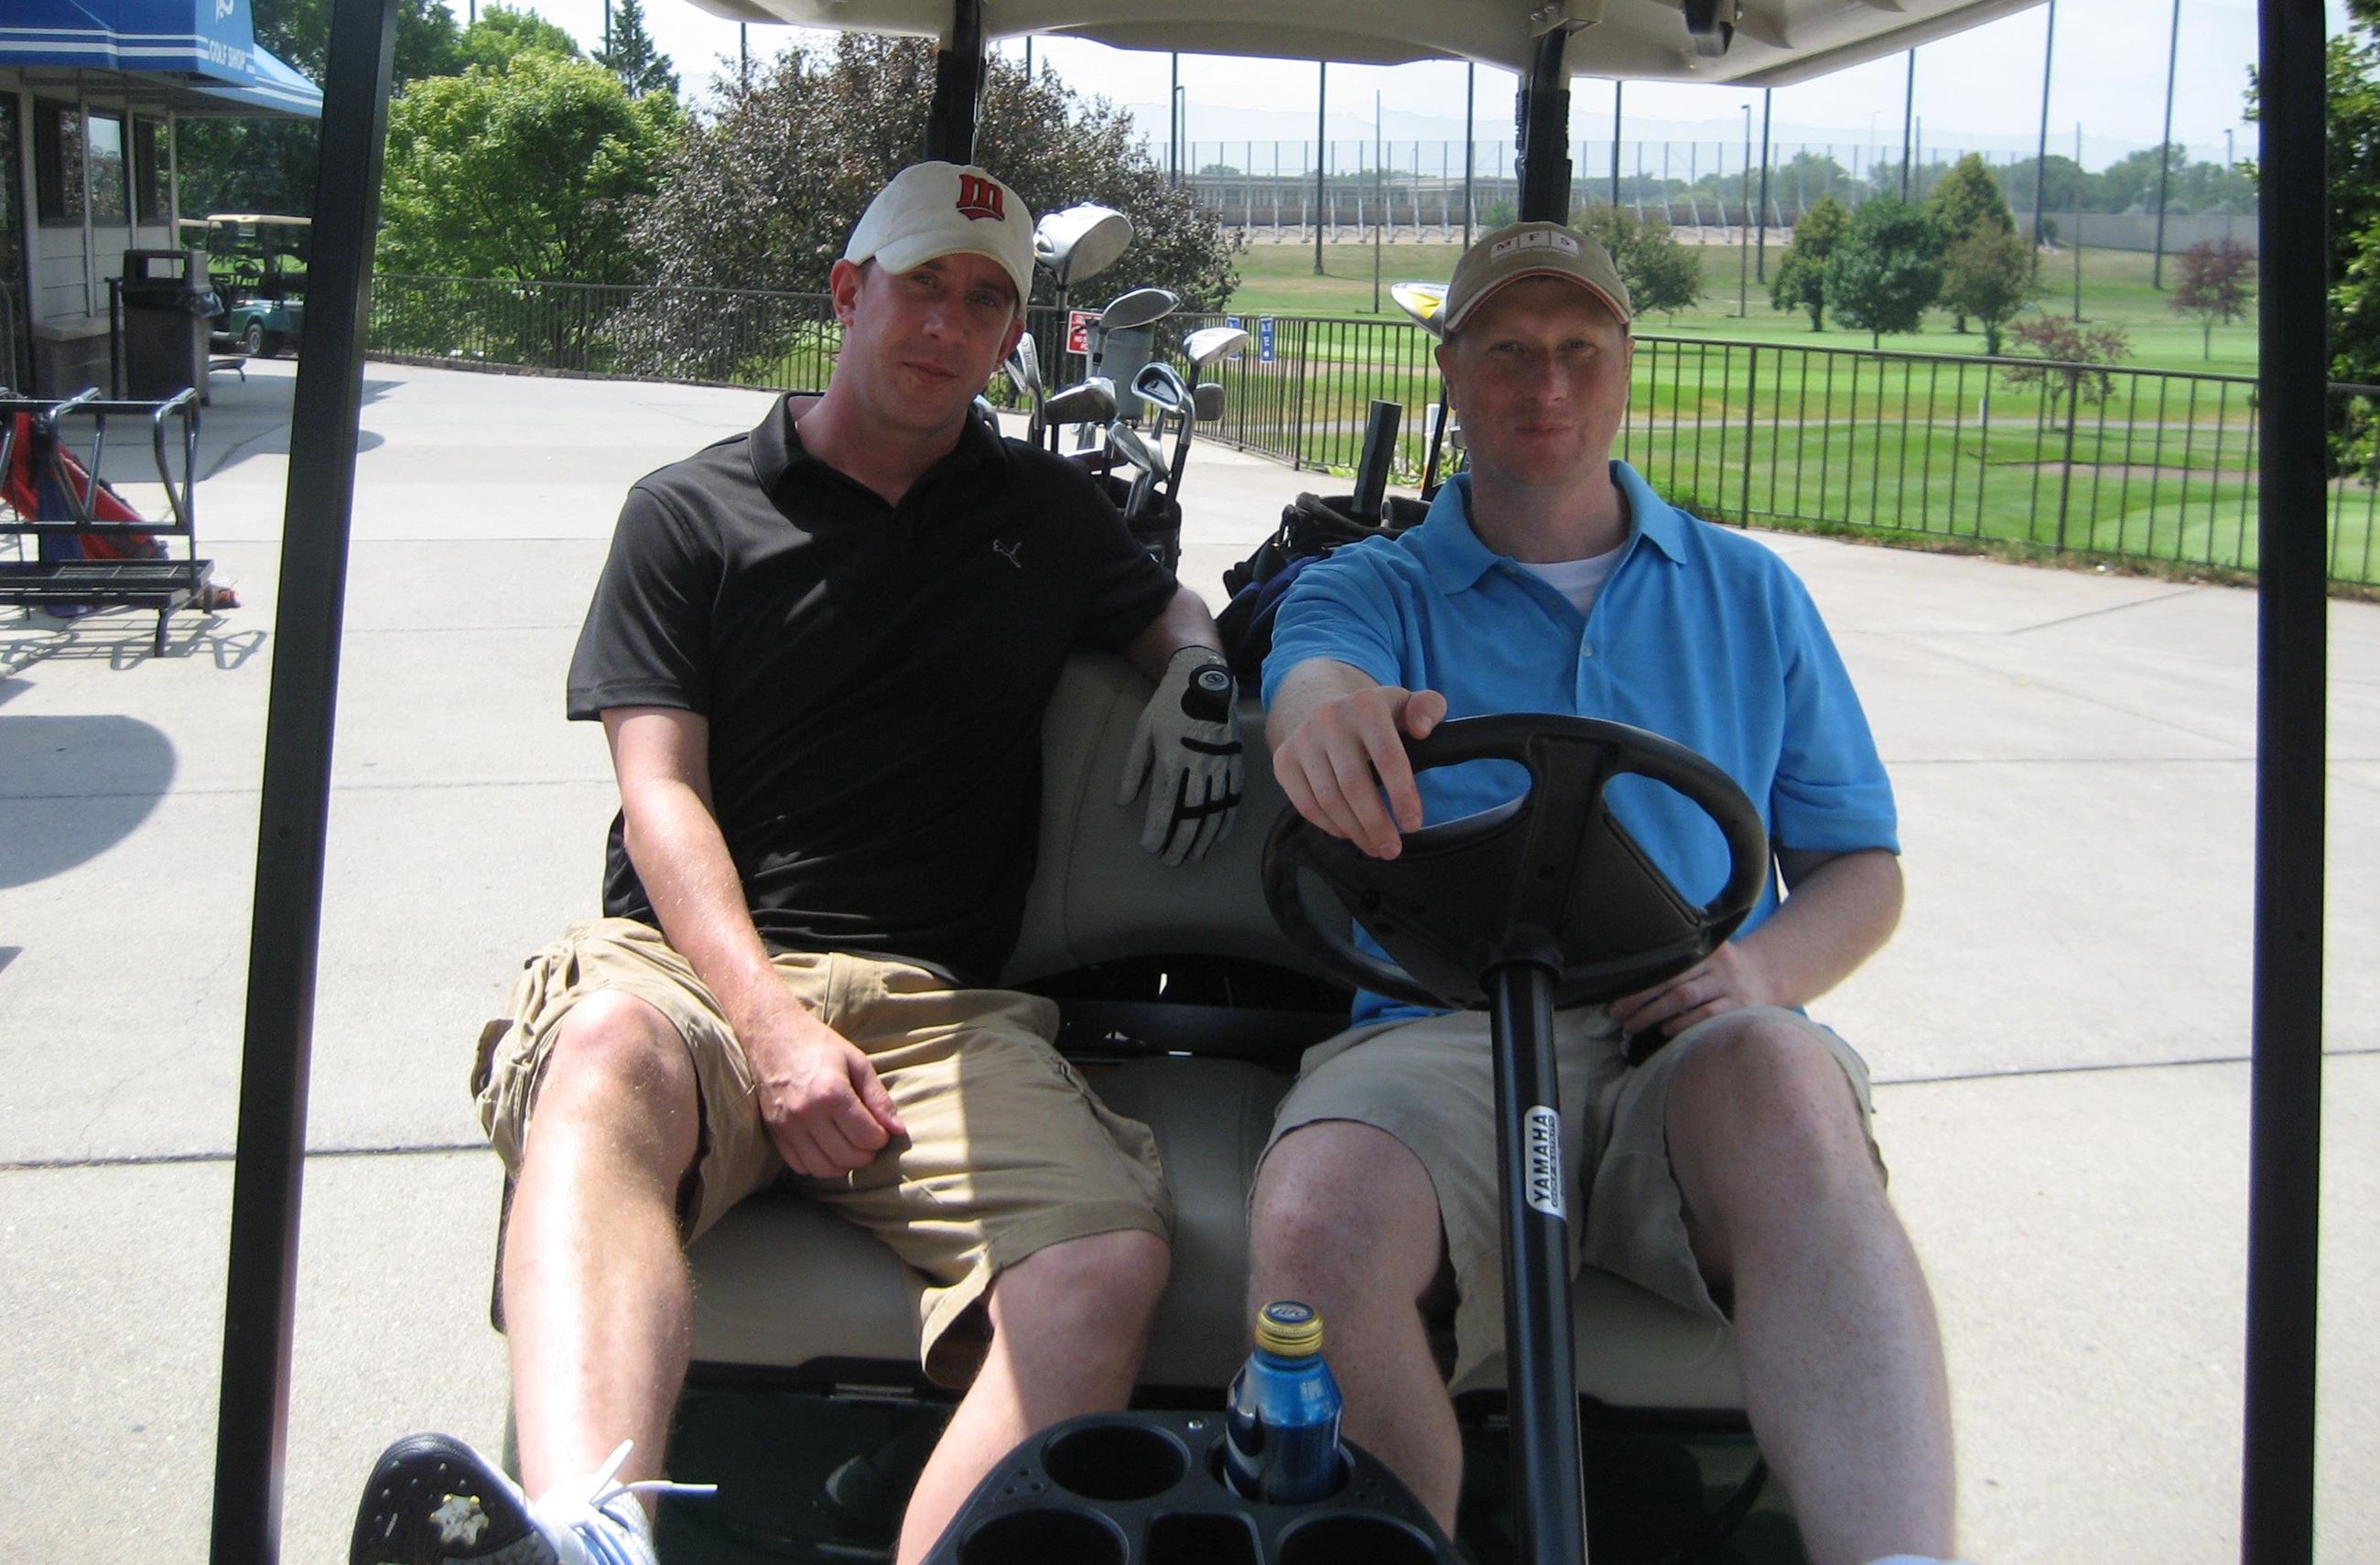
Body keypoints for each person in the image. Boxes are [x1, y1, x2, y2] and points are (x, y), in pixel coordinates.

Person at [351, 162, 1242, 1565]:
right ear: (847, 291)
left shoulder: (1046, 518)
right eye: (921, 286)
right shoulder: (690, 516)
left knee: (1104, 1257)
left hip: (937, 1010)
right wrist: (768, 1027)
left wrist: (1195, 665)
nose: (947, 325)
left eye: (985, 301)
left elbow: (1168, 607)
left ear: (1014, 336)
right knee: (602, 1057)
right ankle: (591, 1539)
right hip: (694, 972)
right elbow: (661, 797)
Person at [1251, 221, 1969, 1565]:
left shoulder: (1749, 593)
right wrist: (1327, 718)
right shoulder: (1374, 587)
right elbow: (1316, 674)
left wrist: (1759, 973)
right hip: (1441, 1034)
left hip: (1690, 1030)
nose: (1549, 387)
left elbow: (1861, 869)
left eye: (1582, 350)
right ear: (1452, 370)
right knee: (1316, 1208)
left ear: (1626, 365)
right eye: (1511, 351)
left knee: (1790, 1083)